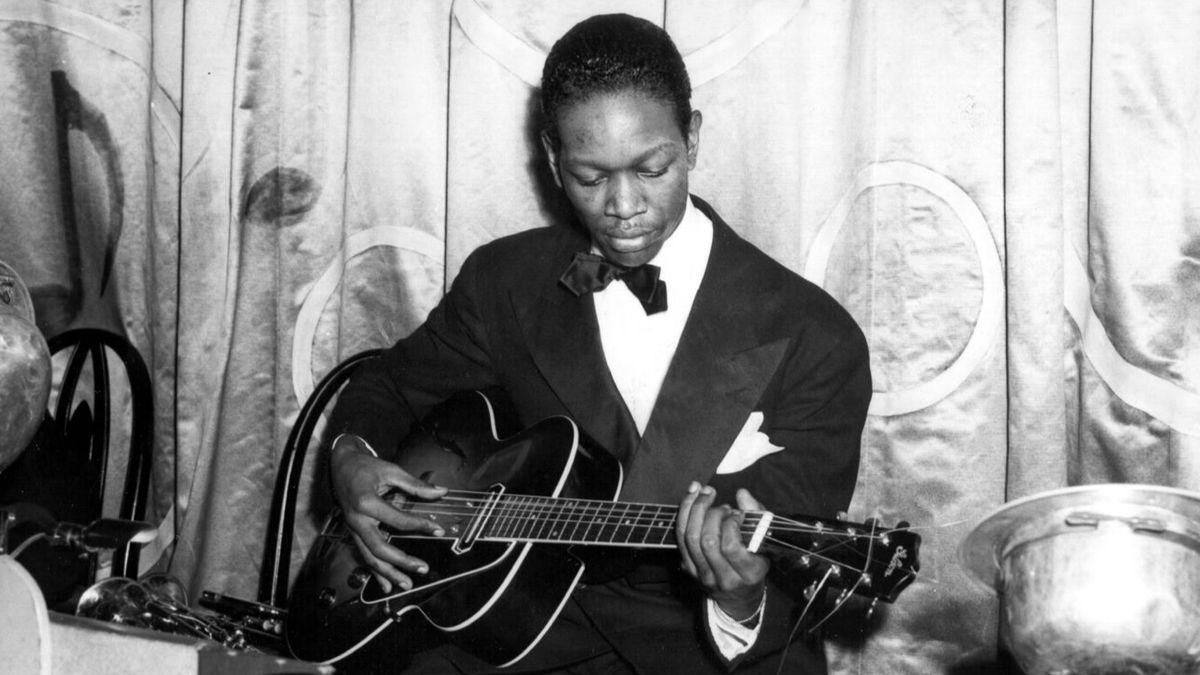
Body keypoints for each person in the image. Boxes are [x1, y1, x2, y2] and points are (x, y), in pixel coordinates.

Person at [326, 13, 870, 675]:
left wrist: (740, 594)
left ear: (692, 139)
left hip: (712, 649)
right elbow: (389, 385)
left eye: (652, 169)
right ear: (554, 162)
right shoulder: (506, 280)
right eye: (590, 178)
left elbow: (790, 578)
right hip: (519, 624)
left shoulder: (816, 336)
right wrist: (352, 456)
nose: (622, 205)